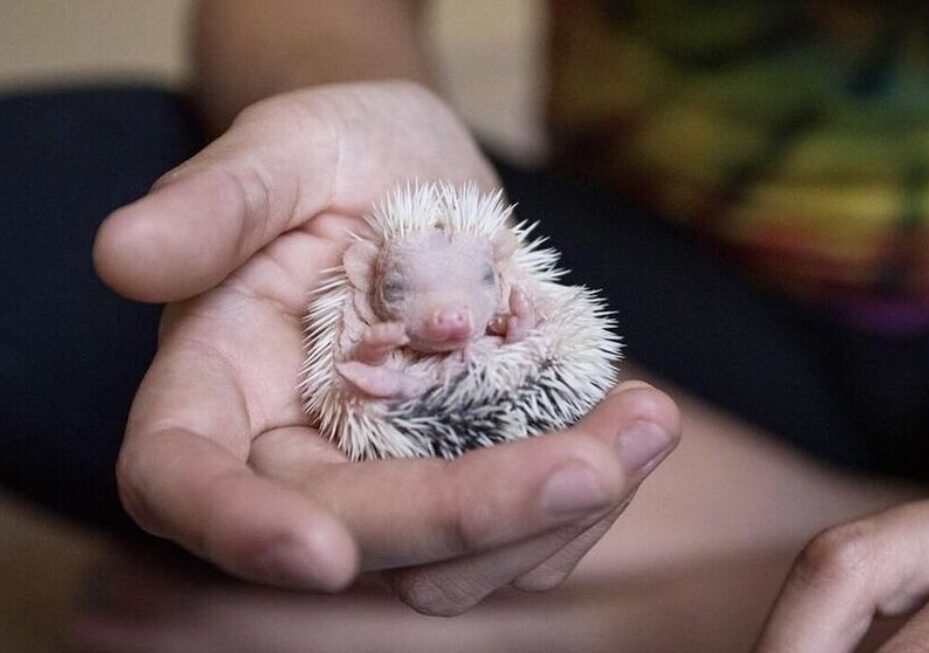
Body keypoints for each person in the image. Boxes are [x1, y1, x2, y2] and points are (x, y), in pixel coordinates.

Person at [1, 1, 925, 651]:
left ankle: (694, 602)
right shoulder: (422, 280)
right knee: (30, 195)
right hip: (686, 301)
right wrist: (345, 127)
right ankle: (808, 525)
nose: (444, 314)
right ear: (370, 278)